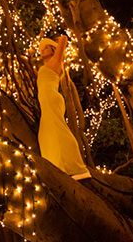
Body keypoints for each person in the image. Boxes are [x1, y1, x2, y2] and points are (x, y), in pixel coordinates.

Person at [37, 36, 91, 181]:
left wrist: (60, 40)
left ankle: (77, 167)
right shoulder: (47, 65)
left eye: (46, 47)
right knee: (46, 133)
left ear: (53, 50)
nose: (42, 50)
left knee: (58, 129)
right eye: (41, 48)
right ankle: (58, 166)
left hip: (52, 99)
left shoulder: (56, 62)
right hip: (46, 101)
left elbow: (63, 40)